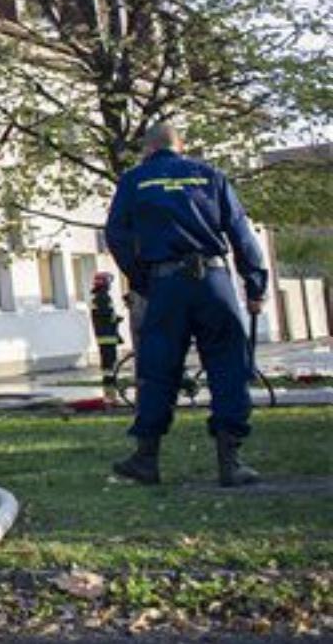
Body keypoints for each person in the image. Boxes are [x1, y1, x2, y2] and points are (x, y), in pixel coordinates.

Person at [104, 123, 268, 487]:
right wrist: (255, 285)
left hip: (166, 283)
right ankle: (231, 461)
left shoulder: (134, 180)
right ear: (182, 146)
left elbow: (115, 234)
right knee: (228, 365)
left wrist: (143, 279)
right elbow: (241, 233)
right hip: (213, 281)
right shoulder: (210, 176)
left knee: (158, 367)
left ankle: (146, 459)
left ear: (146, 150)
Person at [89, 272, 123, 397]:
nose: (110, 285)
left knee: (107, 358)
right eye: (109, 282)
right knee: (109, 358)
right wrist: (117, 319)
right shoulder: (103, 297)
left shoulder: (99, 297)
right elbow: (106, 315)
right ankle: (109, 380)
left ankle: (108, 378)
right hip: (107, 333)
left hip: (104, 333)